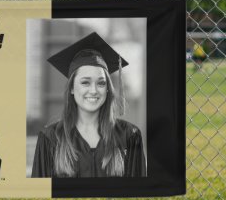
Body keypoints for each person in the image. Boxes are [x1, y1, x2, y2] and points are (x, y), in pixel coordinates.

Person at [31, 32, 146, 178]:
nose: (94, 90)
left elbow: (139, 196)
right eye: (85, 82)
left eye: (101, 83)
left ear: (108, 88)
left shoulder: (129, 135)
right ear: (72, 88)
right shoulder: (51, 138)